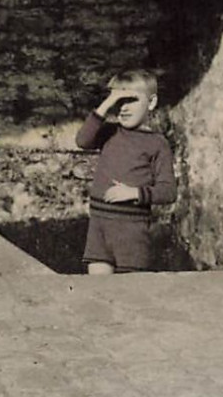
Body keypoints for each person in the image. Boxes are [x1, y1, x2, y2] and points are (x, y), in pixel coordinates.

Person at [75, 69, 177, 275]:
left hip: (132, 231)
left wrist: (135, 193)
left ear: (151, 102)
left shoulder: (157, 143)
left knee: (129, 294)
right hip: (99, 227)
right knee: (98, 293)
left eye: (131, 100)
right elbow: (82, 141)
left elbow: (168, 191)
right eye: (119, 102)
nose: (123, 108)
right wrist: (106, 104)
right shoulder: (109, 133)